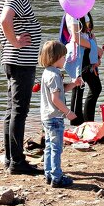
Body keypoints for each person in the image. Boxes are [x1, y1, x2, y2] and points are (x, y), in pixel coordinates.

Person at [0, 0, 44, 175]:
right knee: (19, 111)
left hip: (15, 59)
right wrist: (15, 41)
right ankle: (17, 162)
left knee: (12, 111)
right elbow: (6, 20)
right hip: (20, 60)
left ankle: (10, 158)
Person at [38, 40, 79, 188]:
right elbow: (55, 99)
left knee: (49, 146)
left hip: (46, 116)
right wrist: (68, 112)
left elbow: (60, 91)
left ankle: (48, 174)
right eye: (63, 57)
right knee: (56, 148)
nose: (65, 60)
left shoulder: (48, 73)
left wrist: (74, 84)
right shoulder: (54, 76)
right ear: (55, 58)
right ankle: (57, 177)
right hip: (55, 117)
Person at [70, 12, 103, 122]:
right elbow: (76, 38)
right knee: (81, 87)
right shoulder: (73, 13)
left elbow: (90, 35)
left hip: (89, 53)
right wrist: (95, 49)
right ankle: (78, 121)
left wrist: (97, 56)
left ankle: (86, 121)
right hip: (79, 54)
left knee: (93, 88)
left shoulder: (86, 12)